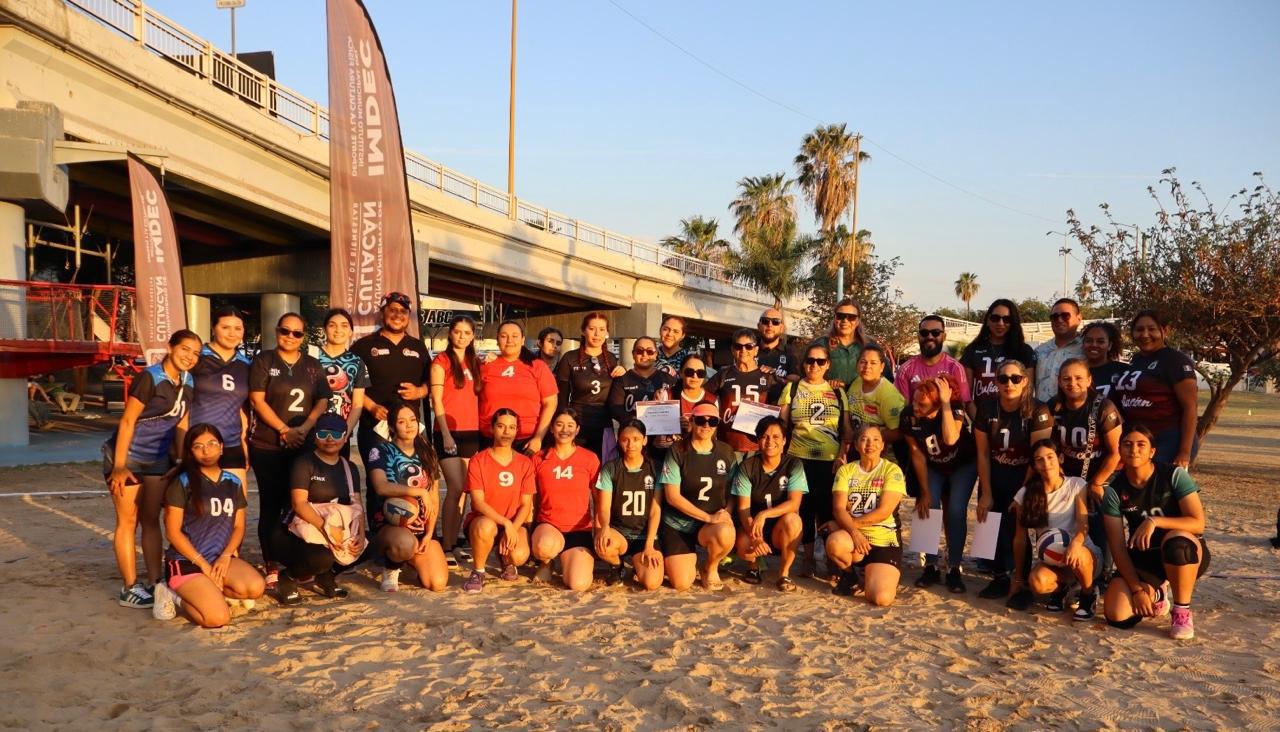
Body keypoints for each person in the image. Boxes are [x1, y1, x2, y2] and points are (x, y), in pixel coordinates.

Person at [104, 329, 201, 608]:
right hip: (128, 457)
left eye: (195, 353)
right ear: (170, 347)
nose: (190, 356)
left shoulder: (188, 380)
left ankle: (156, 581)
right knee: (128, 521)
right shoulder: (150, 377)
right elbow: (127, 421)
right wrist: (119, 466)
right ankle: (129, 587)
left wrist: (181, 459)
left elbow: (182, 422)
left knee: (150, 519)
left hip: (158, 458)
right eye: (185, 349)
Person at [248, 312, 332, 588]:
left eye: (297, 333)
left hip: (303, 445)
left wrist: (304, 429)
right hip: (268, 444)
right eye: (286, 331)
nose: (290, 337)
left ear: (303, 336)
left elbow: (322, 400)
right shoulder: (264, 360)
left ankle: (298, 560)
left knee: (298, 504)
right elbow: (257, 400)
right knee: (271, 505)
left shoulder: (312, 365)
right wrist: (284, 430)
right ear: (277, 331)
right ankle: (271, 562)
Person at [1102, 425, 1209, 640]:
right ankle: (1157, 592)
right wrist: (1137, 590)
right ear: (1120, 450)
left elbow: (1198, 523)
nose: (1134, 450)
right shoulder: (1114, 490)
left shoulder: (1174, 475)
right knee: (1117, 615)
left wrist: (1154, 521)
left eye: (1141, 445)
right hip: (1145, 556)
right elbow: (1117, 547)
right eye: (1127, 444)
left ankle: (1181, 611)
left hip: (1185, 552)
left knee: (1176, 542)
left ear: (1152, 451)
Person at [157, 424, 264, 626]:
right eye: (198, 446)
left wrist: (225, 556)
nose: (206, 451)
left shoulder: (233, 482)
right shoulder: (182, 482)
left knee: (254, 588)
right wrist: (203, 566)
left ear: (221, 447)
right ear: (190, 452)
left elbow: (239, 527)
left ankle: (210, 592)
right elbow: (172, 533)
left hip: (218, 557)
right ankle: (171, 594)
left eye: (212, 444)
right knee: (217, 618)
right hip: (187, 561)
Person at [973, 360, 1052, 599]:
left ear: (1025, 381)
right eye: (1003, 379)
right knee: (988, 521)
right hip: (996, 472)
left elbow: (1038, 455)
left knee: (1018, 526)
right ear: (996, 383)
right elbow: (982, 453)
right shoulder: (987, 408)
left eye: (1015, 378)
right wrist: (986, 492)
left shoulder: (1038, 410)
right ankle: (998, 577)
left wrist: (1023, 491)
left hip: (1026, 474)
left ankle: (1022, 580)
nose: (1009, 383)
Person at [271, 413, 368, 604]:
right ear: (315, 437)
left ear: (345, 438)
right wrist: (327, 529)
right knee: (322, 558)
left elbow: (357, 504)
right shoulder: (304, 463)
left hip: (335, 528)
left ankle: (326, 576)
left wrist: (361, 535)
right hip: (297, 531)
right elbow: (299, 504)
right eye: (323, 434)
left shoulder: (350, 467)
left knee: (371, 544)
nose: (330, 439)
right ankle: (288, 577)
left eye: (336, 434)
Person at [777, 343, 853, 577]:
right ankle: (808, 559)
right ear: (803, 364)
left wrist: (841, 455)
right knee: (805, 510)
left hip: (829, 459)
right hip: (798, 458)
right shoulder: (792, 387)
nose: (815, 365)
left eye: (820, 361)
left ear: (828, 365)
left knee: (828, 509)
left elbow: (846, 430)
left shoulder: (838, 392)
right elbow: (782, 424)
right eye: (810, 360)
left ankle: (831, 559)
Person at [1006, 440, 1101, 620]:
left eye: (1050, 457)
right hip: (1054, 561)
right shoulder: (1025, 494)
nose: (1046, 463)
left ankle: (1088, 595)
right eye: (1039, 460)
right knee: (1037, 582)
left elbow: (1083, 523)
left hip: (1085, 556)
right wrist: (1018, 578)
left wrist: (1076, 544)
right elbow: (1020, 539)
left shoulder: (1076, 484)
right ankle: (1063, 589)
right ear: (1034, 465)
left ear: (1060, 458)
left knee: (1079, 554)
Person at [901, 373, 977, 593]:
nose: (915, 407)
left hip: (962, 465)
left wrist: (945, 404)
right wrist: (924, 491)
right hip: (934, 465)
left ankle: (954, 566)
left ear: (936, 403)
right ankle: (931, 565)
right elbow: (916, 453)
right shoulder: (909, 415)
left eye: (922, 404)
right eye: (914, 401)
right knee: (928, 506)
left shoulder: (953, 407)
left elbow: (951, 438)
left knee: (956, 510)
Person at [1050, 359, 1123, 577]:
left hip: (1102, 473)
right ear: (1059, 381)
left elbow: (1116, 452)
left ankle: (1104, 573)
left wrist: (1096, 482)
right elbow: (1049, 446)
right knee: (1062, 517)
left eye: (1078, 378)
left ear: (1089, 380)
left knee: (1099, 519)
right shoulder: (1054, 406)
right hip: (1070, 474)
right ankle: (1066, 570)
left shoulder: (1104, 408)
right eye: (1066, 379)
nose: (1072, 383)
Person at [352, 291, 431, 492]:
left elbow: (431, 382)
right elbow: (350, 384)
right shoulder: (363, 346)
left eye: (403, 311)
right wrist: (371, 406)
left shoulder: (418, 347)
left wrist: (419, 391)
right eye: (392, 310)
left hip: (410, 428)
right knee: (377, 486)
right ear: (382, 313)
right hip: (374, 427)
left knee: (413, 479)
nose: (398, 315)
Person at [368, 402, 448, 593]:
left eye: (412, 420)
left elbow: (434, 498)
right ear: (392, 426)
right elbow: (381, 486)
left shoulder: (427, 452)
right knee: (404, 544)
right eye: (402, 422)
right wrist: (419, 492)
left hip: (420, 528)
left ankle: (411, 558)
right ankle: (391, 566)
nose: (409, 425)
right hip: (391, 526)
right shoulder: (380, 451)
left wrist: (429, 533)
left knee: (437, 584)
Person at [658, 402, 737, 591]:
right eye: (701, 420)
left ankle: (710, 567)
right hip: (678, 524)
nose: (707, 425)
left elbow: (733, 490)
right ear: (692, 421)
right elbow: (672, 496)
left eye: (713, 421)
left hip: (709, 525)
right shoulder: (677, 450)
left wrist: (727, 512)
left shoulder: (726, 451)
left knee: (726, 532)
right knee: (682, 583)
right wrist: (708, 517)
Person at [827, 425, 908, 606]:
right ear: (856, 445)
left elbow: (884, 512)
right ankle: (850, 574)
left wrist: (849, 526)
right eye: (864, 439)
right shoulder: (846, 470)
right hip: (854, 539)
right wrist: (854, 533)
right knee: (835, 542)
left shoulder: (892, 470)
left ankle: (872, 574)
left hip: (884, 540)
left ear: (883, 445)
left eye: (876, 439)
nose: (870, 444)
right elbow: (838, 509)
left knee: (880, 598)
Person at [1112, 310, 1199, 467]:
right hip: (1140, 439)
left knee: (1161, 482)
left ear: (1165, 331)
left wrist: (1184, 451)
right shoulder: (1136, 360)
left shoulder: (1175, 361)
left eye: (1151, 329)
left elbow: (1190, 408)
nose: (1145, 335)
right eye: (1139, 330)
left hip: (1169, 439)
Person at [463, 409, 536, 593]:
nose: (506, 432)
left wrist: (512, 527)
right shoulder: (478, 460)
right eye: (501, 426)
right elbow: (478, 502)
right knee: (485, 527)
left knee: (519, 556)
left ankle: (507, 561)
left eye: (511, 427)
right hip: (485, 521)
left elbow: (526, 504)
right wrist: (506, 524)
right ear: (492, 428)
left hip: (513, 522)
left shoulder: (525, 462)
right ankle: (478, 571)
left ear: (517, 431)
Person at [731, 417, 806, 591]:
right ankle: (753, 567)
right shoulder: (747, 467)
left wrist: (764, 514)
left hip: (779, 529)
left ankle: (784, 574)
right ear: (758, 440)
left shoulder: (794, 464)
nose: (770, 441)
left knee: (794, 520)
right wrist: (756, 538)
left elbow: (794, 503)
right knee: (743, 543)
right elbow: (743, 509)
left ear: (784, 440)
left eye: (776, 437)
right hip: (752, 527)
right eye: (764, 437)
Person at [530, 408, 602, 591]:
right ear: (552, 428)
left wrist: (599, 531)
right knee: (545, 546)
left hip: (579, 530)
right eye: (559, 425)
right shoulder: (539, 458)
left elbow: (598, 500)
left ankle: (566, 559)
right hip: (548, 525)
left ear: (577, 430)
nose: (564, 430)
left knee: (578, 584)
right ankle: (547, 562)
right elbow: (532, 501)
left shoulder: (589, 458)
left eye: (570, 425)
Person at [430, 315, 482, 561]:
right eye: (457, 331)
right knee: (455, 487)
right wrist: (446, 435)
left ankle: (455, 542)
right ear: (450, 333)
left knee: (464, 492)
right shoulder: (441, 362)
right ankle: (446, 546)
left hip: (472, 432)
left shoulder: (475, 362)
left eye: (467, 333)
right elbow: (436, 400)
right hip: (448, 433)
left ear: (473, 336)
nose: (462, 336)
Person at [594, 419, 664, 590]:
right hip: (620, 532)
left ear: (645, 440)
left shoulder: (655, 468)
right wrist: (604, 527)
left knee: (652, 583)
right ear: (619, 441)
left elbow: (655, 510)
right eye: (625, 439)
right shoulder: (611, 468)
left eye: (636, 439)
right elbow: (604, 507)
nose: (631, 444)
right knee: (603, 544)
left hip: (645, 535)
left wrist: (649, 545)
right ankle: (617, 566)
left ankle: (638, 565)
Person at [188, 306, 252, 488]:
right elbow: (181, 405)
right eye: (225, 327)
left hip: (231, 444)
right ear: (213, 328)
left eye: (238, 328)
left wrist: (245, 446)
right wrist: (180, 445)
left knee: (236, 501)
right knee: (198, 502)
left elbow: (242, 409)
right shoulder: (196, 358)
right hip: (199, 444)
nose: (232, 333)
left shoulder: (246, 365)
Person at [478, 321, 558, 455]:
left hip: (527, 442)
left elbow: (550, 403)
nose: (509, 340)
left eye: (515, 336)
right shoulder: (485, 366)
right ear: (497, 340)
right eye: (504, 336)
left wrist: (538, 437)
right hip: (490, 440)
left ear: (522, 340)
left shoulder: (537, 366)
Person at [555, 312, 626, 457]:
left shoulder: (611, 359)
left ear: (607, 333)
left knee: (603, 466)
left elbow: (618, 395)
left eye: (602, 329)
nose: (597, 334)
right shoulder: (569, 358)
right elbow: (561, 398)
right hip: (577, 425)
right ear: (583, 331)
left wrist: (624, 375)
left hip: (603, 425)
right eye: (592, 329)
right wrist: (564, 425)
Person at [706, 328, 777, 458]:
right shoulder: (723, 374)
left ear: (756, 350)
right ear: (732, 350)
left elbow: (779, 408)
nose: (743, 350)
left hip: (758, 446)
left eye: (748, 346)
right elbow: (703, 397)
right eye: (738, 346)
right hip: (727, 444)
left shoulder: (768, 376)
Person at [606, 336, 677, 463]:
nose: (644, 355)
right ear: (633, 354)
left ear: (656, 354)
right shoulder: (623, 380)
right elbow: (614, 408)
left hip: (663, 445)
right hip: (632, 444)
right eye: (640, 351)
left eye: (650, 351)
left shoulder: (668, 379)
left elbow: (677, 408)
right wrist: (638, 417)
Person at [960, 299, 1037, 412]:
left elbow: (1027, 392)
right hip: (982, 417)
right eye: (995, 318)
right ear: (987, 320)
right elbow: (966, 395)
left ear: (1013, 323)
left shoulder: (1024, 351)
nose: (1000, 323)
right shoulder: (972, 350)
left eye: (1006, 319)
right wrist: (979, 420)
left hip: (1015, 418)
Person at [316, 308, 370, 454]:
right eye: (332, 325)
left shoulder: (357, 362)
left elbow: (357, 404)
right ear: (324, 329)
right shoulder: (311, 355)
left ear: (351, 331)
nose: (338, 330)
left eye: (344, 326)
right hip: (312, 434)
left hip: (339, 434)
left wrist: (345, 432)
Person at [812, 299, 888, 389]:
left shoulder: (870, 345)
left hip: (862, 397)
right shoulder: (821, 344)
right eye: (840, 316)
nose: (845, 320)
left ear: (858, 321)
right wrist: (826, 383)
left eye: (851, 317)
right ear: (835, 319)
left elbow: (886, 377)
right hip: (828, 395)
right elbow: (806, 373)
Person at [895, 315, 971, 405]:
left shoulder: (955, 368)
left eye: (935, 333)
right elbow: (903, 408)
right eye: (924, 333)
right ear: (918, 336)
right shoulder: (906, 369)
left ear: (944, 336)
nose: (929, 337)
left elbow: (962, 406)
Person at [847, 344, 906, 455]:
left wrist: (869, 436)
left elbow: (898, 432)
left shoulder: (889, 395)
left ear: (882, 367)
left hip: (879, 455)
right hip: (857, 450)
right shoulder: (857, 382)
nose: (867, 366)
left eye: (873, 363)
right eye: (863, 362)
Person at [1034, 298, 1084, 402]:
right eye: (1055, 317)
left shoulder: (1087, 348)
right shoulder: (1039, 351)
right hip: (1041, 410)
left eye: (1065, 315)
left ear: (1079, 318)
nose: (1059, 320)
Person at [756, 308, 802, 400]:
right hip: (750, 404)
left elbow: (795, 382)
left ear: (781, 328)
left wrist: (774, 377)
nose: (770, 325)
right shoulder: (747, 348)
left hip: (778, 406)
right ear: (758, 326)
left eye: (775, 322)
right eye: (765, 321)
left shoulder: (791, 353)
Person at [1081, 321, 1127, 402]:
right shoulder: (1075, 372)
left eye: (1100, 341)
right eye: (1089, 341)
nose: (1094, 345)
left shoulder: (1123, 371)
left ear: (1110, 345)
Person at [655, 315, 698, 379]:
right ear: (660, 330)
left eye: (676, 332)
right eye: (666, 329)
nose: (670, 334)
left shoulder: (689, 358)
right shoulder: (649, 353)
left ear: (682, 336)